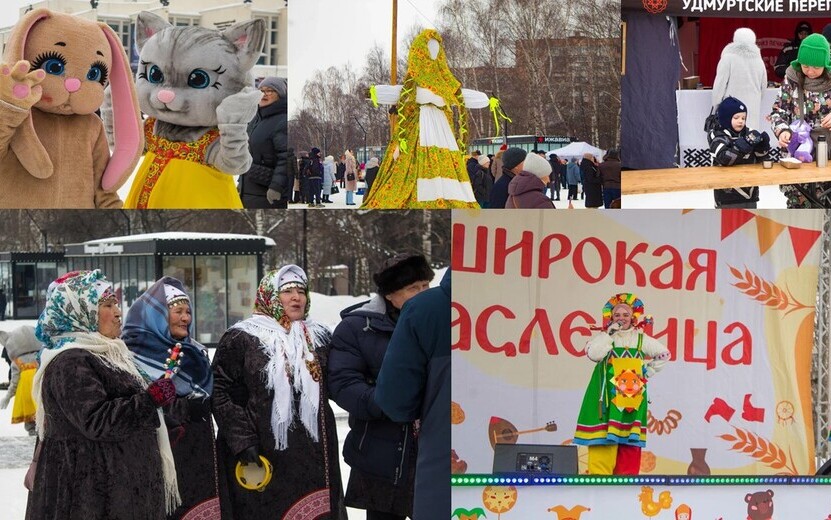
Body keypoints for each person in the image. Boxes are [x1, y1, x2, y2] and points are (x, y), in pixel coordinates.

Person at [27, 270, 179, 519]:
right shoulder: (71, 361)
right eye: (107, 305)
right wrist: (148, 400)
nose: (118, 312)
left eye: (116, 303)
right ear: (81, 312)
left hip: (120, 491)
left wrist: (163, 411)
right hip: (92, 497)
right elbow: (96, 421)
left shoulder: (108, 352)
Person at [212, 265, 346, 519]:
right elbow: (221, 393)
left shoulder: (319, 337)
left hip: (313, 455)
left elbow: (339, 382)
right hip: (262, 453)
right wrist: (243, 441)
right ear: (270, 296)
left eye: (301, 290)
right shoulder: (242, 338)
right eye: (287, 291)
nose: (296, 297)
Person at [329, 254, 434, 520]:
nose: (422, 294)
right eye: (413, 288)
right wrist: (391, 401)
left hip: (433, 451)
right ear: (390, 294)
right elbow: (343, 384)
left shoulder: (442, 320)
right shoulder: (356, 328)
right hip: (380, 454)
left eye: (426, 286)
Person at [362, 29, 495, 209]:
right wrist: (373, 93)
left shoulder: (447, 83)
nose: (433, 52)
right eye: (429, 48)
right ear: (420, 52)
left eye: (436, 49)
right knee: (412, 165)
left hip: (442, 130)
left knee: (447, 166)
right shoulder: (413, 84)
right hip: (418, 127)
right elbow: (396, 93)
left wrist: (486, 100)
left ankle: (448, 195)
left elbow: (462, 96)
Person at [122, 277, 217, 519]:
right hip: (156, 457)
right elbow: (135, 406)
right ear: (157, 315)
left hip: (199, 456)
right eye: (178, 312)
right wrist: (183, 407)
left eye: (188, 312)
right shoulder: (131, 354)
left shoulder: (194, 351)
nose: (186, 318)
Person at [376, 268, 451, 520]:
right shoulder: (564, 305)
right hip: (558, 479)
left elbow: (395, 400)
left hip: (447, 475)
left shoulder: (424, 309)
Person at [573, 293, 670, 475]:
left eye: (626, 315)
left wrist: (646, 373)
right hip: (607, 398)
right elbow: (594, 354)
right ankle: (599, 485)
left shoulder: (641, 339)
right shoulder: (605, 338)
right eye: (617, 315)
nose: (621, 318)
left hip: (630, 398)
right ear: (611, 317)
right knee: (603, 443)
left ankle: (624, 491)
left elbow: (664, 354)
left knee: (628, 448)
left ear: (633, 317)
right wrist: (609, 333)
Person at [770, 33, 831, 207]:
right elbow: (778, 111)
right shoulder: (792, 78)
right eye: (805, 66)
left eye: (816, 67)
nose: (810, 71)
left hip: (827, 156)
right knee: (800, 204)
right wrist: (782, 130)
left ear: (826, 64)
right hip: (798, 154)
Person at [239, 77, 289, 209]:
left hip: (267, 192)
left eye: (270, 90)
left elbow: (285, 158)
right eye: (261, 90)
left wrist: (276, 187)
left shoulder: (283, 121)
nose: (264, 94)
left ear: (280, 95)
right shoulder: (255, 118)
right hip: (248, 187)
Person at [709, 96, 767, 208]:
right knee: (728, 224)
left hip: (749, 192)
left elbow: (760, 159)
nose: (741, 121)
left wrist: (762, 148)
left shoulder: (748, 133)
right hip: (727, 195)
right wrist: (745, 144)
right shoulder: (717, 136)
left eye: (743, 118)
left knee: (750, 223)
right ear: (726, 118)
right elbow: (725, 158)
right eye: (736, 118)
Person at [711, 28, 767, 130]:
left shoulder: (728, 58)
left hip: (730, 107)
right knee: (750, 138)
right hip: (752, 108)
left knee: (729, 139)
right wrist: (756, 101)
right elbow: (763, 87)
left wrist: (716, 105)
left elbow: (719, 85)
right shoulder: (759, 61)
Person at [0, 326, 41, 436]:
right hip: (40, 394)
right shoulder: (40, 357)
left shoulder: (17, 362)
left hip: (26, 397)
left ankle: (33, 435)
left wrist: (7, 397)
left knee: (31, 423)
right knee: (43, 418)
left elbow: (14, 383)